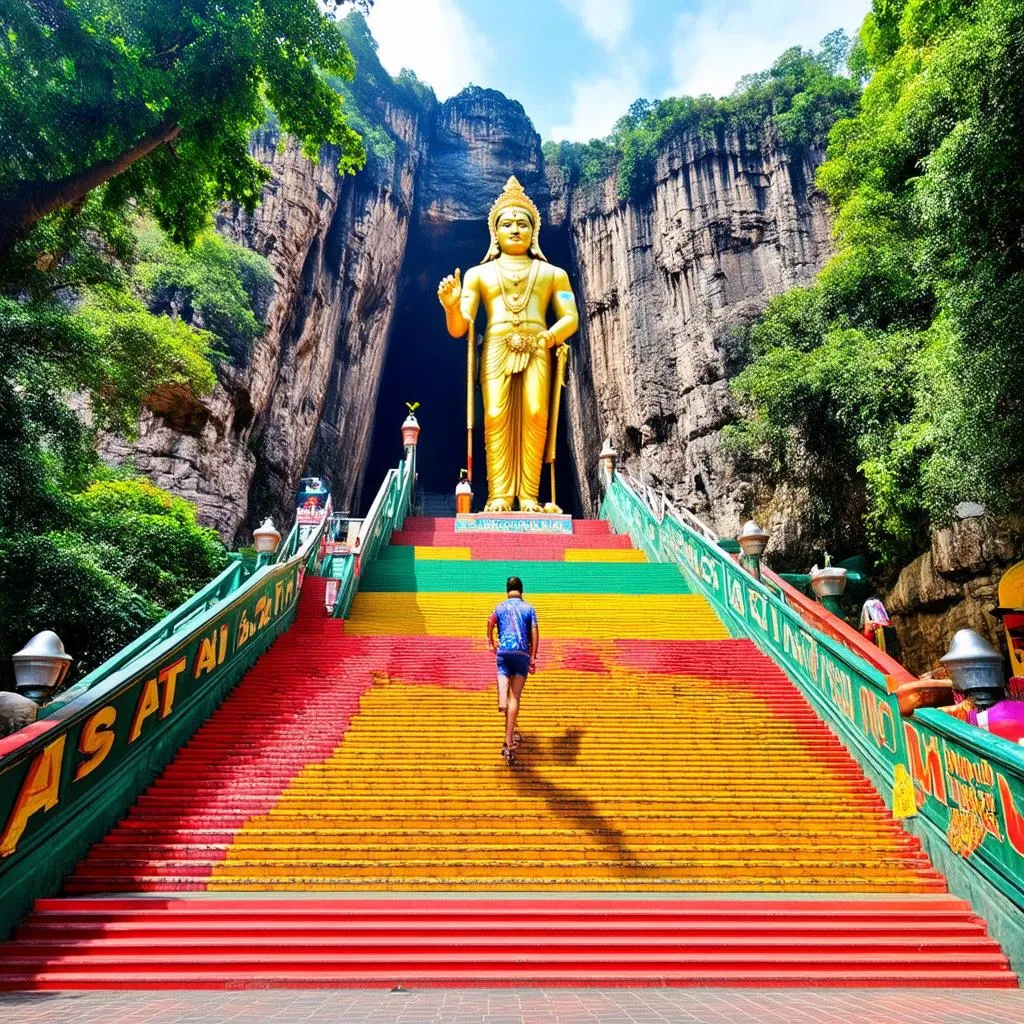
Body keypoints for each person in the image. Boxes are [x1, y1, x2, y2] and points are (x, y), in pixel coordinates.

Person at [437, 176, 579, 513]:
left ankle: (529, 495)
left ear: (534, 232)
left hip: (538, 345)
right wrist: (452, 306)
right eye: (507, 224)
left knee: (535, 412)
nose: (515, 229)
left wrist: (551, 336)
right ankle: (499, 494)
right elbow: (460, 329)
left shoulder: (553, 274)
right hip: (497, 346)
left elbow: (570, 317)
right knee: (496, 415)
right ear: (495, 233)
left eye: (522, 224)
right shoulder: (477, 274)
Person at [487, 575, 539, 765]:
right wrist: (533, 658)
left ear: (507, 590)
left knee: (504, 688)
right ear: (521, 590)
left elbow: (489, 622)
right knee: (515, 697)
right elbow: (534, 632)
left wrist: (490, 641)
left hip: (504, 652)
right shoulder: (529, 608)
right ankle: (508, 743)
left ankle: (502, 699)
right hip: (521, 654)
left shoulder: (500, 607)